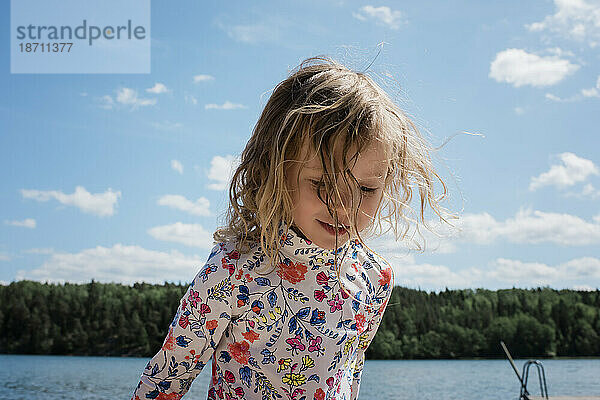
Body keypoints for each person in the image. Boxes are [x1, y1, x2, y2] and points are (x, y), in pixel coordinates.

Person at [131, 56, 447, 400]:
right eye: (322, 184)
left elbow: (348, 376)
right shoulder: (234, 269)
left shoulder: (375, 278)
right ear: (277, 170)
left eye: (367, 189)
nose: (344, 207)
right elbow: (166, 380)